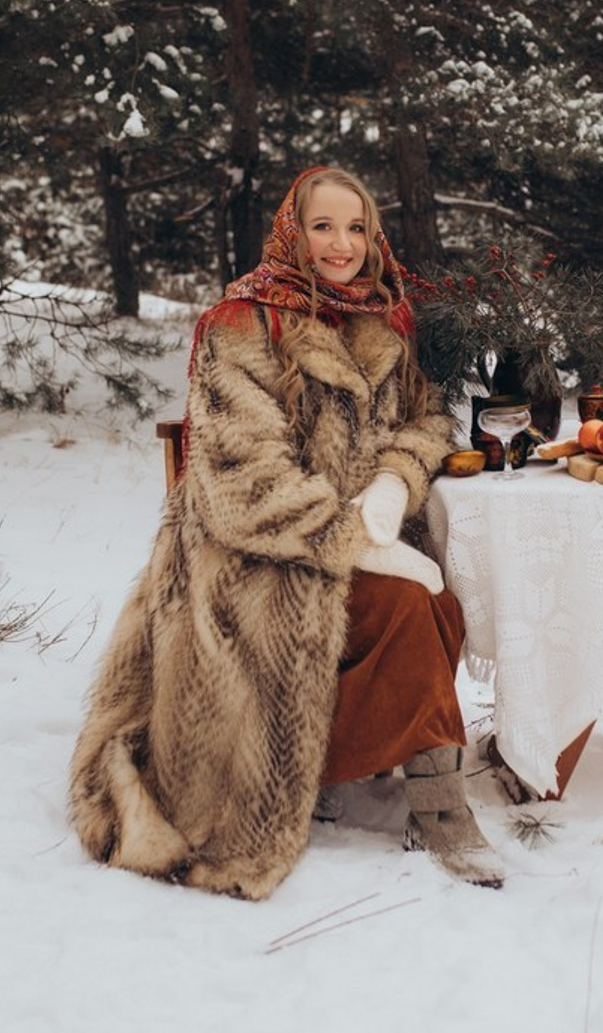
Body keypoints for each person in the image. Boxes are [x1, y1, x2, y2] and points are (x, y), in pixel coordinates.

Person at [69, 165, 504, 900]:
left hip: (351, 533)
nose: (342, 244)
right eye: (324, 226)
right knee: (403, 608)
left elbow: (426, 420)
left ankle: (377, 774)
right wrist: (354, 539)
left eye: (357, 228)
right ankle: (439, 809)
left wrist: (394, 482)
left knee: (440, 603)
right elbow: (245, 482)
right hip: (251, 554)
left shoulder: (383, 317)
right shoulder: (241, 324)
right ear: (292, 232)